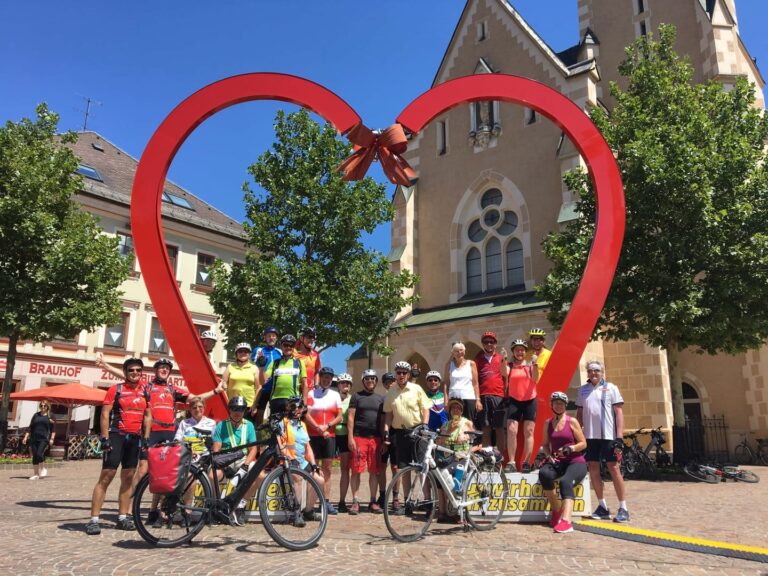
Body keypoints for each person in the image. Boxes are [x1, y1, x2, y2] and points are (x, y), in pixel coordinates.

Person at [86, 358, 151, 535]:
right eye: (131, 370)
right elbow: (105, 414)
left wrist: (146, 438)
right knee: (107, 476)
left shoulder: (145, 390)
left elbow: (147, 415)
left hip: (135, 438)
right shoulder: (116, 389)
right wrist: (105, 437)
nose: (135, 373)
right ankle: (94, 520)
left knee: (128, 477)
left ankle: (123, 517)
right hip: (116, 436)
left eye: (138, 370)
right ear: (125, 372)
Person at [576, 360, 629, 523]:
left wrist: (619, 436)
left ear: (602, 372)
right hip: (590, 437)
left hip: (608, 436)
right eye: (590, 370)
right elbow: (579, 413)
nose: (593, 373)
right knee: (593, 467)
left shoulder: (611, 388)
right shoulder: (583, 390)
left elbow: (618, 412)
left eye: (596, 370)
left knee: (613, 468)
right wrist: (578, 434)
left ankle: (623, 507)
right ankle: (602, 506)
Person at [383, 361, 430, 515]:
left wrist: (424, 425)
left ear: (409, 375)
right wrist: (386, 430)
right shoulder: (391, 392)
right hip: (400, 433)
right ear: (395, 374)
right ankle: (407, 502)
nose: (401, 375)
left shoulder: (416, 389)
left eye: (404, 372)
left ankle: (427, 501)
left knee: (422, 468)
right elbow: (389, 414)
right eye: (398, 372)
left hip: (417, 432)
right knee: (404, 469)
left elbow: (425, 408)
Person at [539, 391, 588, 534]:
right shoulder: (548, 423)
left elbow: (583, 443)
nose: (558, 406)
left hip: (576, 461)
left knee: (565, 482)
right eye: (556, 403)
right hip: (558, 462)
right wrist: (549, 456)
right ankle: (556, 511)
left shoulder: (572, 421)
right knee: (544, 474)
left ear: (565, 406)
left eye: (561, 403)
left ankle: (566, 521)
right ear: (551, 405)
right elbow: (545, 445)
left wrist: (570, 448)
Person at [211, 396, 259, 526]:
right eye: (234, 409)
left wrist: (245, 466)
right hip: (225, 458)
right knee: (213, 475)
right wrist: (223, 466)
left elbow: (253, 449)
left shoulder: (248, 425)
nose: (237, 412)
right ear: (229, 410)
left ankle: (240, 505)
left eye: (241, 409)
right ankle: (217, 506)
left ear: (244, 411)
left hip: (242, 459)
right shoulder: (221, 425)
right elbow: (216, 449)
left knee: (260, 474)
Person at [277, 396, 324, 525]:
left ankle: (308, 511)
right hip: (288, 461)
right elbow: (280, 445)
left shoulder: (302, 424)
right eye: (294, 407)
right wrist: (290, 458)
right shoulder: (283, 423)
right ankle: (295, 513)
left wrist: (314, 464)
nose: (297, 410)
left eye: (300, 407)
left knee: (319, 479)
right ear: (289, 408)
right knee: (297, 479)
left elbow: (307, 447)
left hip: (302, 461)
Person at [305, 366, 342, 515]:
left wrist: (327, 426)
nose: (327, 380)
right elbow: (305, 414)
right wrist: (317, 427)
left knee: (327, 470)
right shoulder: (311, 393)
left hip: (329, 436)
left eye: (329, 377)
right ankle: (309, 502)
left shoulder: (335, 395)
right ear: (319, 377)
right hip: (313, 436)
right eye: (324, 377)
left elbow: (340, 416)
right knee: (312, 469)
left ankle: (325, 502)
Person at [348, 369, 384, 514]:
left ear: (376, 381)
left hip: (375, 439)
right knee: (356, 471)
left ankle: (373, 501)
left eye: (373, 379)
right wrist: (350, 438)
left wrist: (383, 439)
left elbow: (382, 421)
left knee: (374, 472)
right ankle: (355, 501)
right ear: (363, 381)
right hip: (359, 438)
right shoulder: (356, 396)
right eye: (367, 379)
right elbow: (350, 417)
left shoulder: (380, 399)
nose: (370, 381)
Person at [436, 399, 476, 521]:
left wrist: (469, 452)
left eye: (458, 408)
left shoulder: (467, 423)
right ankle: (443, 512)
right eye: (453, 408)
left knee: (455, 478)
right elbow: (440, 442)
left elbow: (478, 440)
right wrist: (449, 431)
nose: (455, 410)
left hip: (462, 457)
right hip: (448, 457)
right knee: (439, 478)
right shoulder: (446, 425)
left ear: (461, 410)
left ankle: (458, 512)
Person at [505, 339, 539, 473]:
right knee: (512, 430)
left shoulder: (530, 364)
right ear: (513, 351)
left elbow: (535, 378)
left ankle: (527, 462)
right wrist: (503, 359)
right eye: (517, 350)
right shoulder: (510, 365)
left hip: (530, 400)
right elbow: (504, 372)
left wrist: (535, 364)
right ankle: (511, 462)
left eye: (522, 350)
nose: (520, 352)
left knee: (529, 431)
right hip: (515, 400)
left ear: (525, 351)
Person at [474, 331, 509, 453]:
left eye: (491, 342)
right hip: (483, 396)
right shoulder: (478, 359)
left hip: (498, 396)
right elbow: (475, 381)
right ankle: (487, 458)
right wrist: (477, 398)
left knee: (499, 428)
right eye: (486, 342)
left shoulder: (500, 357)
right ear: (483, 344)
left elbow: (505, 374)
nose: (489, 344)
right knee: (486, 428)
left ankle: (501, 458)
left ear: (495, 344)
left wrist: (504, 360)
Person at [262, 334, 307, 415]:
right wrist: (261, 367)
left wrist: (304, 403)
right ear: (281, 346)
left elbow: (304, 384)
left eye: (291, 345)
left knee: (291, 427)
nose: (288, 347)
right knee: (275, 427)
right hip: (276, 400)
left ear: (294, 347)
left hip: (293, 401)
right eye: (285, 345)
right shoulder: (275, 363)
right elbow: (263, 382)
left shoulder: (299, 362)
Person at [444, 342, 482, 425]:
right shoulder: (449, 365)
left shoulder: (471, 364)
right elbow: (446, 384)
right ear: (453, 353)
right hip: (454, 399)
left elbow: (475, 384)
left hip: (469, 398)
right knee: (455, 424)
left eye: (461, 350)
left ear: (464, 351)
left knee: (468, 424)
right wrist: (446, 401)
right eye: (456, 351)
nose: (459, 353)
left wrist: (478, 400)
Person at [251, 326, 282, 424]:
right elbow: (252, 367)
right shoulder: (258, 350)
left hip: (275, 389)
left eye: (273, 336)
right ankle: (257, 437)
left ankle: (273, 438)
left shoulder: (279, 351)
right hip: (262, 388)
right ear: (265, 338)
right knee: (259, 414)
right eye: (269, 336)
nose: (271, 338)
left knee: (275, 416)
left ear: (276, 338)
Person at [221, 343, 259, 421]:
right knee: (231, 429)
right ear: (236, 354)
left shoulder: (254, 367)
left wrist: (255, 405)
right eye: (240, 351)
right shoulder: (230, 366)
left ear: (249, 354)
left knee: (247, 429)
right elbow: (223, 383)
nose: (243, 353)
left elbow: (258, 388)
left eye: (246, 351)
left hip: (249, 405)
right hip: (232, 405)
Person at [377, 371, 397, 510]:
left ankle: (396, 497)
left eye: (392, 381)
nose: (390, 384)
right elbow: (382, 420)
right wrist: (383, 437)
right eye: (387, 382)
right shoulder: (383, 400)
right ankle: (383, 495)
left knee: (395, 467)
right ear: (384, 385)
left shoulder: (399, 397)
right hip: (384, 436)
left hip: (396, 435)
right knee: (382, 467)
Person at [22, 401, 55, 480]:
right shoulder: (36, 415)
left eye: (44, 406)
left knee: (39, 453)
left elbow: (53, 430)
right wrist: (25, 437)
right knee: (35, 456)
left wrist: (52, 439)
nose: (43, 407)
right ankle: (36, 474)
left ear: (47, 407)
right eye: (41, 406)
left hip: (44, 438)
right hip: (34, 438)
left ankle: (43, 468)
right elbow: (30, 427)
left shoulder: (50, 416)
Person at [334, 372, 353, 512]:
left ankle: (342, 500)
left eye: (347, 383)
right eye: (342, 383)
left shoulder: (353, 400)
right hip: (332, 434)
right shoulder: (333, 398)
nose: (345, 385)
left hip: (346, 435)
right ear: (338, 385)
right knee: (325, 468)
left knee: (345, 469)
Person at [295, 327, 321, 394]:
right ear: (301, 338)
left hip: (309, 391)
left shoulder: (315, 354)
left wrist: (317, 386)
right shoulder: (293, 352)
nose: (312, 339)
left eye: (313, 337)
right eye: (309, 337)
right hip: (294, 390)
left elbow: (317, 371)